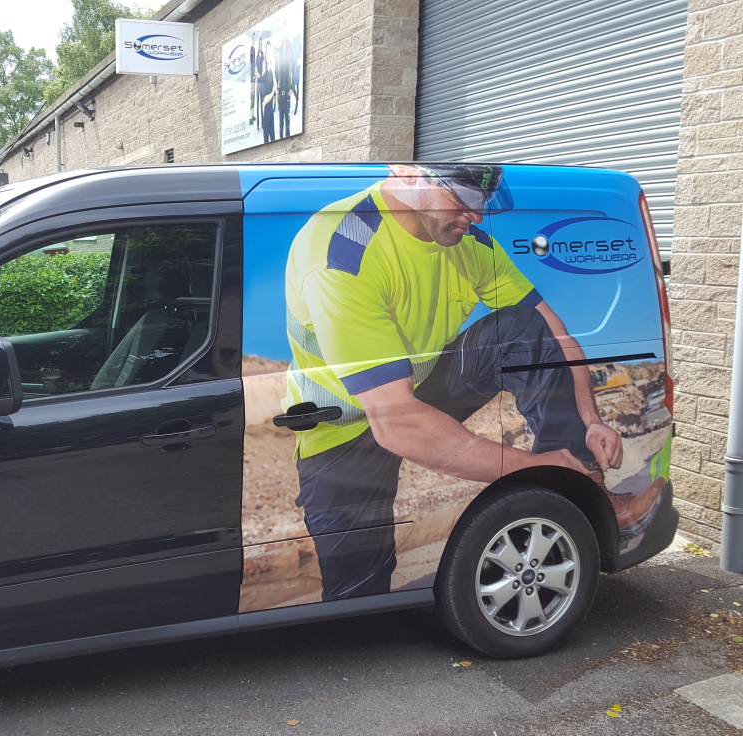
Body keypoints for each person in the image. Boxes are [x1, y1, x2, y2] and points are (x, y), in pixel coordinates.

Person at [283, 164, 665, 601]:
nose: (477, 216)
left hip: (416, 390)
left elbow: (551, 332)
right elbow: (397, 424)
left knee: (521, 328)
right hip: (341, 426)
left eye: (482, 204)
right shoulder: (339, 257)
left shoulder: (466, 240)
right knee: (358, 588)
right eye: (463, 200)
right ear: (408, 175)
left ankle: (581, 493)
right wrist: (536, 466)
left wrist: (590, 418)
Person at [258, 44, 276, 143]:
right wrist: (272, 91)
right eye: (266, 52)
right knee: (266, 141)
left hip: (272, 114)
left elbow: (277, 91)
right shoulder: (263, 77)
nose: (268, 55)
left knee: (273, 141)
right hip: (266, 115)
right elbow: (265, 100)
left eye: (269, 52)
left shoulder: (271, 73)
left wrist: (273, 73)